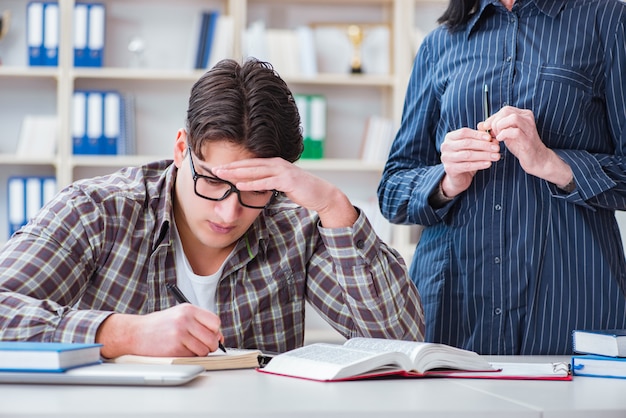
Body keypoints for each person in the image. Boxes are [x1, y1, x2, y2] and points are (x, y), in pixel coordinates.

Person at [0, 58, 425, 359]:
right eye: (214, 182)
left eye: (255, 190)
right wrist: (124, 333)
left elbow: (399, 342)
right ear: (182, 148)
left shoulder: (295, 226)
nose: (228, 214)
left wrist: (334, 206)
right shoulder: (97, 210)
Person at [378, 0, 626, 355]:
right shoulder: (439, 43)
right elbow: (392, 190)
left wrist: (551, 162)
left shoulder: (608, 20)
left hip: (570, 302)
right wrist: (447, 181)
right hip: (452, 304)